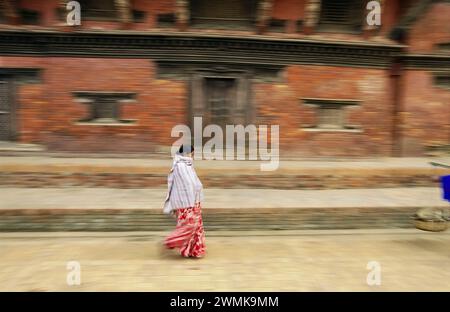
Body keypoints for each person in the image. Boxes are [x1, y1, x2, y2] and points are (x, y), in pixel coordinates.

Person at [162, 144, 206, 258]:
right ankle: (170, 242)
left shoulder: (187, 164)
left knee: (197, 227)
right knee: (189, 226)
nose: (193, 155)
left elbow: (194, 182)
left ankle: (194, 251)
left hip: (194, 201)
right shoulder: (180, 166)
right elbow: (186, 184)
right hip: (186, 202)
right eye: (192, 152)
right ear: (187, 152)